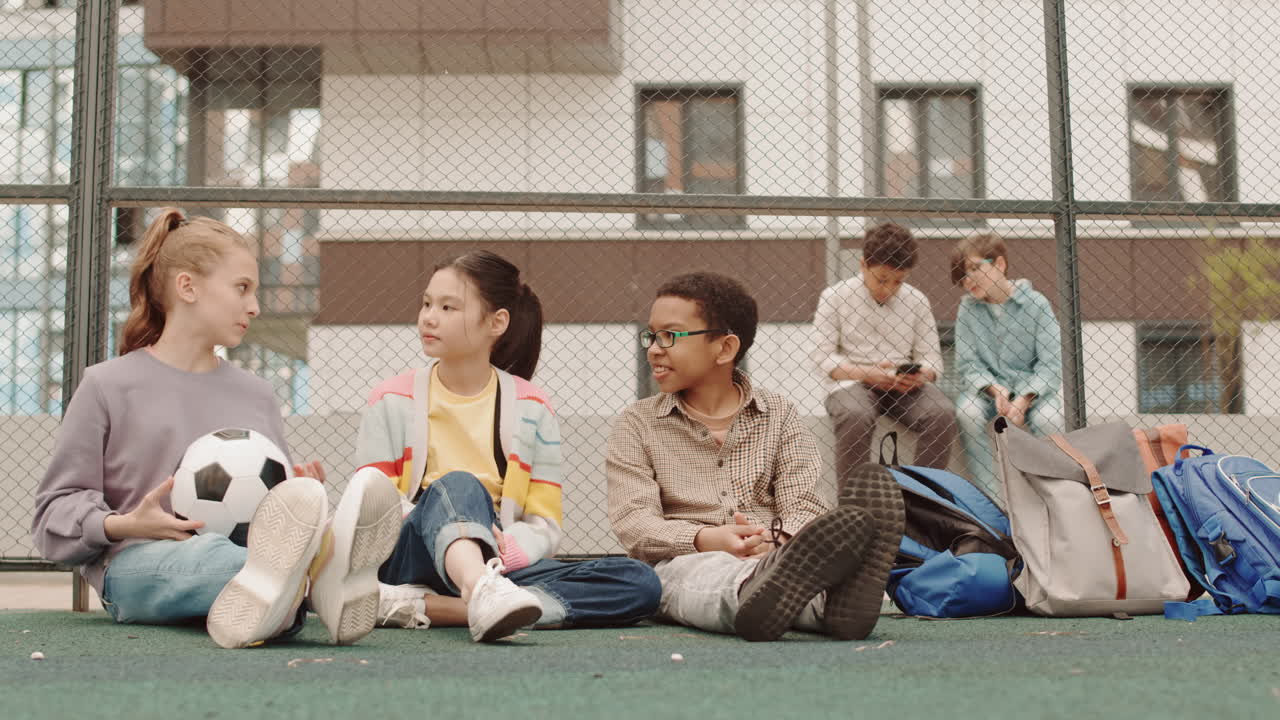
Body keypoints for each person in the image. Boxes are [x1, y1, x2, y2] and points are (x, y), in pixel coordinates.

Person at [31, 209, 402, 649]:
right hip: (137, 568)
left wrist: (296, 496)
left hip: (251, 560)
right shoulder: (106, 386)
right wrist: (124, 524)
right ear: (187, 286)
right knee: (230, 561)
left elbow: (270, 516)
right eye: (242, 288)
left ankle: (287, 589)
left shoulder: (257, 394)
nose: (255, 307)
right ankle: (314, 580)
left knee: (258, 563)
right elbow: (52, 517)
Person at [356, 250, 662, 642]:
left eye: (449, 307)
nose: (429, 317)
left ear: (497, 322)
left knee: (638, 582)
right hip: (411, 553)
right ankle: (482, 594)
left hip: (498, 558)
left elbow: (545, 523)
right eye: (427, 303)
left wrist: (509, 550)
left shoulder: (532, 406)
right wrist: (455, 523)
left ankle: (434, 607)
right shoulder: (390, 398)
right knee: (460, 486)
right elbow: (373, 503)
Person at [607, 272, 904, 642]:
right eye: (650, 335)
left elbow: (806, 504)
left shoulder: (779, 414)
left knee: (790, 568)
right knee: (688, 577)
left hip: (777, 556)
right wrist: (706, 539)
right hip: (682, 560)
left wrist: (774, 540)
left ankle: (837, 607)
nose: (653, 348)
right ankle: (783, 597)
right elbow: (635, 524)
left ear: (725, 348)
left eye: (669, 335)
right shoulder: (637, 423)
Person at [812, 221, 958, 482]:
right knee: (856, 415)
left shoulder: (917, 301)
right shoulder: (834, 297)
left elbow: (933, 360)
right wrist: (868, 373)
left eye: (898, 282)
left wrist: (920, 375)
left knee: (942, 413)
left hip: (905, 388)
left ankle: (926, 501)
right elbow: (823, 358)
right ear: (862, 265)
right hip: (851, 383)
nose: (888, 288)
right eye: (881, 279)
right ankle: (854, 509)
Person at [951, 232, 1063, 496]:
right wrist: (995, 389)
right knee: (967, 412)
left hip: (1034, 393)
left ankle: (1052, 492)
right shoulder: (967, 309)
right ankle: (990, 498)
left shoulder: (1037, 304)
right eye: (963, 276)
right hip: (989, 394)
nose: (968, 281)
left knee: (1050, 419)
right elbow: (967, 364)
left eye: (975, 269)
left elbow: (1051, 365)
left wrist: (1024, 398)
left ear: (999, 264)